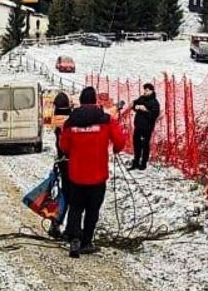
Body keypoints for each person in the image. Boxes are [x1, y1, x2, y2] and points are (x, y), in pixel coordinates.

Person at [56, 87, 127, 257]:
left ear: (80, 101)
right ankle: (86, 242)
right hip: (97, 174)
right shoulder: (106, 119)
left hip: (76, 174)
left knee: (76, 208)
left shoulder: (70, 122)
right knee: (92, 210)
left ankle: (74, 239)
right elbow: (120, 140)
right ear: (95, 100)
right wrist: (116, 149)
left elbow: (63, 146)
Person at [128, 83, 160, 170]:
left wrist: (145, 110)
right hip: (138, 126)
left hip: (147, 128)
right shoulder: (141, 98)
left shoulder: (155, 102)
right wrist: (135, 106)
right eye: (144, 90)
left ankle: (143, 164)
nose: (145, 92)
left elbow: (154, 115)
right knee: (136, 145)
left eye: (147, 90)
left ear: (151, 91)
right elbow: (134, 104)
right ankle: (136, 163)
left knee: (145, 145)